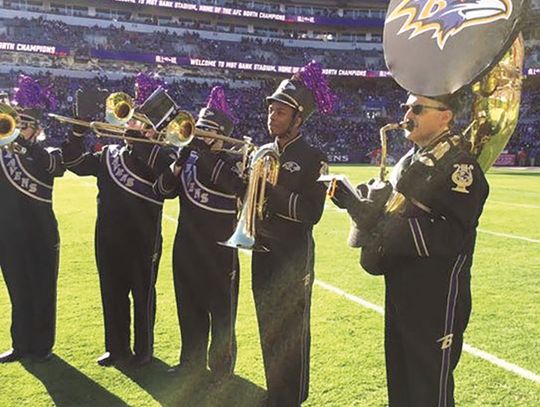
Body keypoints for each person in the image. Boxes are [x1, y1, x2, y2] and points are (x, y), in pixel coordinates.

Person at [334, 93, 489, 407]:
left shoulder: (460, 165)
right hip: (401, 288)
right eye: (406, 107)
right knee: (402, 384)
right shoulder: (411, 159)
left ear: (445, 116)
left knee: (429, 391)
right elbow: (388, 215)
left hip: (436, 296)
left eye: (417, 108)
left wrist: (389, 227)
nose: (407, 113)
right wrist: (358, 205)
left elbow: (453, 234)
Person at [61, 86, 177, 368]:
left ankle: (144, 351)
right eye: (131, 117)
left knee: (142, 295)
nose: (128, 122)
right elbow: (74, 163)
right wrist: (78, 129)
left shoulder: (162, 157)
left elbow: (167, 188)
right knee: (111, 294)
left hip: (143, 240)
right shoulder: (110, 153)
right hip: (108, 239)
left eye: (138, 121)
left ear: (152, 131)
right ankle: (116, 348)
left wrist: (147, 144)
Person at [251, 61, 335, 407]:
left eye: (281, 111)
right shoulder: (261, 152)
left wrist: (268, 190)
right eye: (271, 109)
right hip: (262, 251)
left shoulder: (314, 157)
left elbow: (311, 212)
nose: (273, 116)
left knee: (293, 330)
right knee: (268, 327)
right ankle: (275, 393)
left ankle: (293, 397)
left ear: (298, 119)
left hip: (293, 256)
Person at [154, 86, 245, 376]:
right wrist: (179, 161)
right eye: (199, 127)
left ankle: (221, 370)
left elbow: (234, 187)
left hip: (221, 251)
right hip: (187, 248)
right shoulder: (187, 158)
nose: (199, 134)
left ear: (220, 135)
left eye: (207, 129)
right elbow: (164, 190)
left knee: (221, 314)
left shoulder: (234, 161)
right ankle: (190, 364)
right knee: (189, 309)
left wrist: (203, 154)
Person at [0, 76, 64, 363]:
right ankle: (20, 344)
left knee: (42, 290)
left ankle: (42, 347)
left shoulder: (47, 152)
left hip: (40, 233)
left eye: (25, 125)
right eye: (17, 123)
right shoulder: (2, 154)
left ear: (36, 128)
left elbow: (54, 168)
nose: (18, 129)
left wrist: (25, 144)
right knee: (18, 290)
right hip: (9, 233)